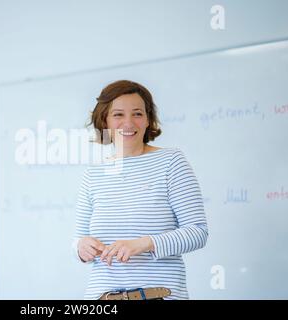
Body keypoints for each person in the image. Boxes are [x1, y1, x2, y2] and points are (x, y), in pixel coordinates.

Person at [72, 80, 208, 300]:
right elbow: (79, 239)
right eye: (118, 115)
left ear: (148, 120)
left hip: (159, 295)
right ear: (104, 120)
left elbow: (198, 231)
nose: (128, 123)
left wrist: (144, 243)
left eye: (137, 114)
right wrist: (81, 247)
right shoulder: (93, 174)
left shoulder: (171, 161)